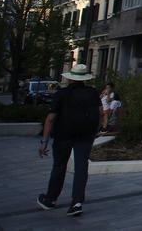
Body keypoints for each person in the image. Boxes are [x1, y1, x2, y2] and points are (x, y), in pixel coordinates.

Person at [37, 63, 101, 217]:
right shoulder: (92, 93)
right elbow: (99, 113)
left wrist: (44, 141)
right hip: (85, 135)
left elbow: (51, 118)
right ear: (85, 78)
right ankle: (77, 202)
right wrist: (95, 131)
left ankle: (50, 199)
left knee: (59, 166)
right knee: (81, 168)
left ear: (70, 78)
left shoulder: (62, 94)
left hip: (63, 135)